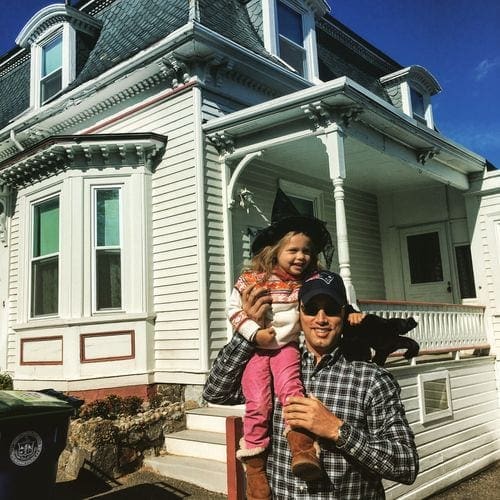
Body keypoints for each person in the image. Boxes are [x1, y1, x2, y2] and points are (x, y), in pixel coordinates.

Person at [204, 270, 419, 499]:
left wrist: (337, 430)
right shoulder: (275, 369)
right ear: (299, 312)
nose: (321, 318)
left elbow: (406, 466)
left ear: (344, 314)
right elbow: (215, 392)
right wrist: (250, 331)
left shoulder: (371, 379)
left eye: (332, 309)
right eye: (311, 308)